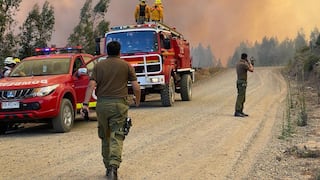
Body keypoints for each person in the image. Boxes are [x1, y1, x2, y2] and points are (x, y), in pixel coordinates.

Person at [81, 41, 141, 180]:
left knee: (105, 136)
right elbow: (136, 87)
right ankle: (114, 168)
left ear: (107, 51)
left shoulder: (99, 66)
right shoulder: (126, 66)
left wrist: (85, 104)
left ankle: (108, 167)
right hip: (119, 105)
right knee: (117, 135)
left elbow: (91, 85)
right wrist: (137, 102)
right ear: (120, 51)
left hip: (102, 105)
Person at [234, 53, 254, 117]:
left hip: (239, 81)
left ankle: (240, 111)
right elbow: (251, 70)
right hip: (242, 82)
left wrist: (247, 62)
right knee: (241, 97)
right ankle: (237, 111)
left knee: (242, 97)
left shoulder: (238, 63)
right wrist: (251, 63)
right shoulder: (243, 64)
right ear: (245, 58)